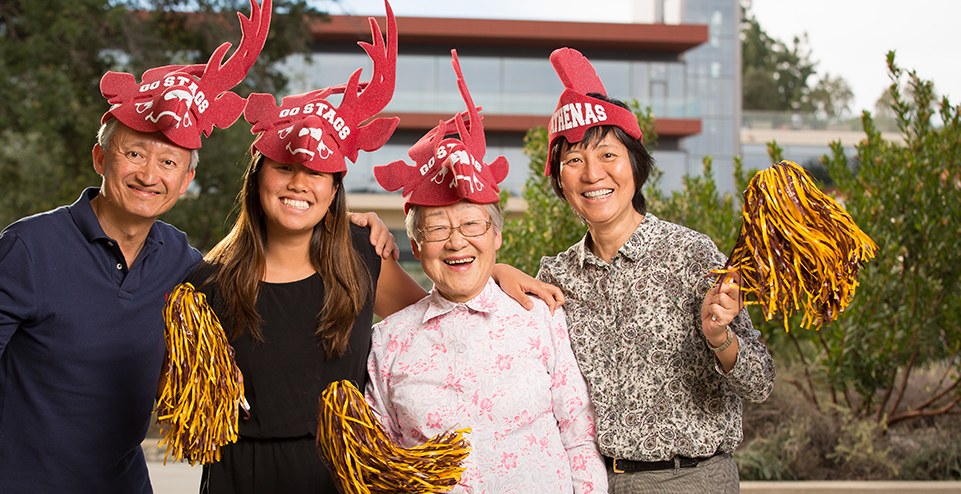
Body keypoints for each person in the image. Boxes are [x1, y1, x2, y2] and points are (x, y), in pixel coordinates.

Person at [0, 4, 284, 492]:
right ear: (100, 157)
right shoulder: (29, 246)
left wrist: (344, 226)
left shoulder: (184, 263)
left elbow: (259, 297)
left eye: (168, 161)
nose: (148, 174)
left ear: (186, 180)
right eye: (133, 153)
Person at [187, 11, 561, 493]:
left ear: (335, 185)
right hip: (240, 478)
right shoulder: (207, 281)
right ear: (257, 175)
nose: (300, 182)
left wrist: (494, 272)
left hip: (343, 478)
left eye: (318, 172)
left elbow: (438, 312)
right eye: (283, 167)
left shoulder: (363, 257)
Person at [364, 50, 607, 494]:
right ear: (416, 245)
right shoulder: (387, 341)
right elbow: (381, 460)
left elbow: (579, 437)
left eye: (473, 224)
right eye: (438, 229)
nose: (457, 242)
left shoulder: (540, 318)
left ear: (496, 236)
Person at [535, 48, 776, 494]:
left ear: (634, 165)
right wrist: (500, 274)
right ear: (559, 179)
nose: (592, 174)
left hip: (694, 479)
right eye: (574, 160)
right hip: (597, 482)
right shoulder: (555, 276)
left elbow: (760, 382)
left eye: (608, 154)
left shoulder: (691, 253)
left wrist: (721, 338)